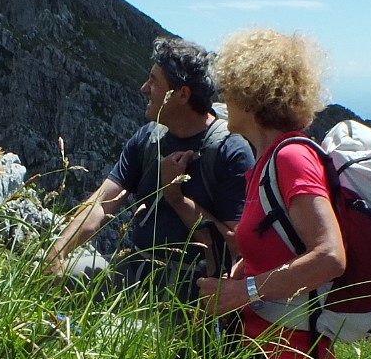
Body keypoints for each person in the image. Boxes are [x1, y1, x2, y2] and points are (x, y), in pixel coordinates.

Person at [42, 37, 254, 304]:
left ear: (182, 94)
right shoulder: (148, 139)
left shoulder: (230, 151)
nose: (144, 88)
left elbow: (234, 248)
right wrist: (57, 251)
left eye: (154, 81)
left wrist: (177, 198)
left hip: (193, 294)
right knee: (51, 277)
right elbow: (101, 203)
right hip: (137, 272)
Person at [197, 28, 346, 359]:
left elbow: (330, 256)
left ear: (252, 94)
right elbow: (286, 244)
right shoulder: (264, 163)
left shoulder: (291, 158)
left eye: (230, 88)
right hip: (261, 351)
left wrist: (243, 291)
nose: (224, 98)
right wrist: (247, 267)